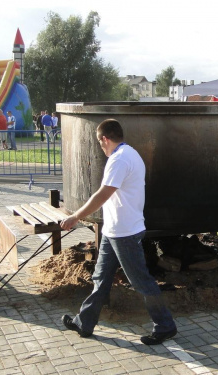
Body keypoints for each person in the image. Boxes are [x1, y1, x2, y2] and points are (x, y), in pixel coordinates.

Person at [60, 119, 177, 345]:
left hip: (125, 233)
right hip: (114, 231)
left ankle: (165, 326)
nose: (101, 148)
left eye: (100, 143)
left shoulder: (120, 159)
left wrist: (75, 216)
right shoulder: (129, 154)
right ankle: (85, 323)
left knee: (141, 281)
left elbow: (102, 195)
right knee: (101, 279)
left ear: (105, 138)